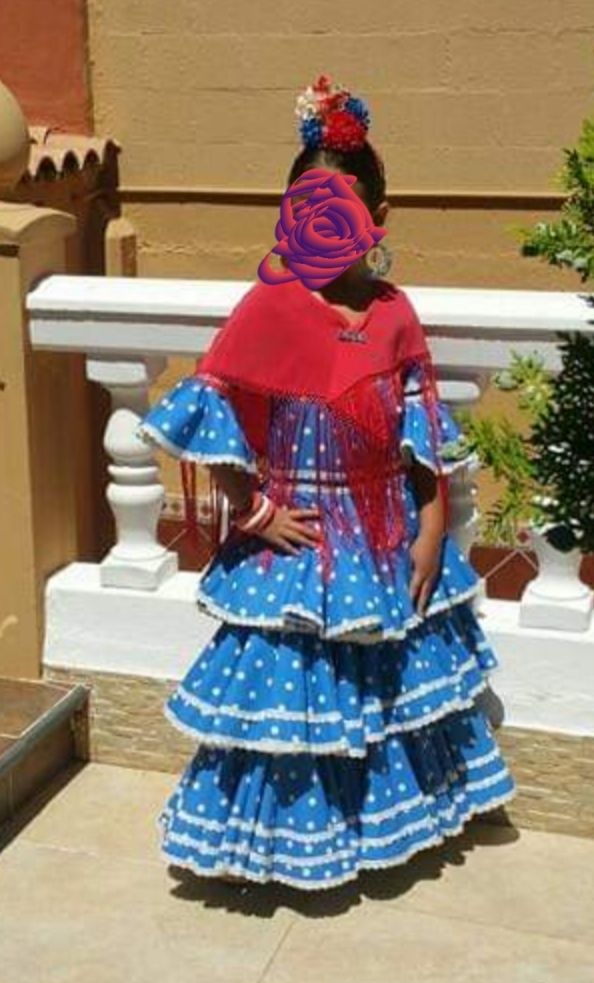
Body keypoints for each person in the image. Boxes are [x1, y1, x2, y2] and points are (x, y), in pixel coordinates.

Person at [136, 74, 517, 892]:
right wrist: (257, 508)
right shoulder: (271, 309)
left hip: (383, 541)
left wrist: (427, 528)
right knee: (299, 700)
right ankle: (288, 842)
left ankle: (382, 829)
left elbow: (421, 437)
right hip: (300, 542)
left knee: (385, 690)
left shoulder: (393, 314)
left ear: (377, 220)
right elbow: (214, 415)